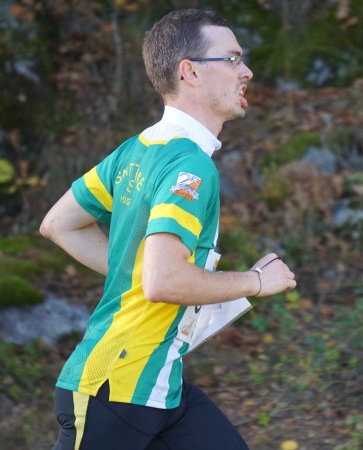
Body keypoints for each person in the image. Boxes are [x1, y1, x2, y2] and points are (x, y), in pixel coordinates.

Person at [40, 8, 296, 450]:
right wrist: (256, 282)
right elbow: (164, 281)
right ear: (190, 72)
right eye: (232, 59)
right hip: (114, 389)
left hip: (160, 389)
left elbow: (60, 225)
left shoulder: (137, 150)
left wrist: (138, 275)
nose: (247, 71)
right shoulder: (189, 164)